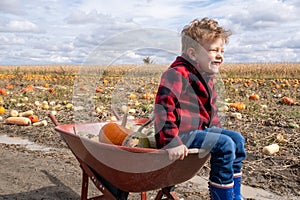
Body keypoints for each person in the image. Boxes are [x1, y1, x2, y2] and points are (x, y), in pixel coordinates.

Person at [154, 17, 246, 200]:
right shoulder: (177, 73)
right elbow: (163, 107)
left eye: (222, 50)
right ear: (193, 54)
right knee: (225, 145)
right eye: (213, 50)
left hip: (199, 130)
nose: (220, 55)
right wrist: (171, 141)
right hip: (181, 134)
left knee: (236, 139)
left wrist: (217, 129)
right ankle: (222, 197)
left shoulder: (206, 75)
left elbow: (210, 108)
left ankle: (235, 194)